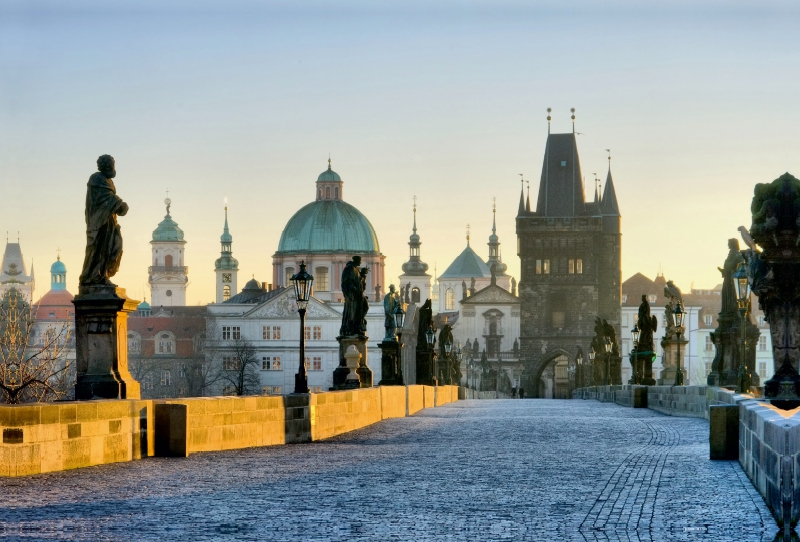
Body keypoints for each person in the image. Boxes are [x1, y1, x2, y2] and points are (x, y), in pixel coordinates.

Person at [79, 155, 129, 287]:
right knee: (100, 250)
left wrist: (118, 204)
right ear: (105, 166)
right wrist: (119, 203)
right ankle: (94, 276)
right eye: (111, 165)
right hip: (99, 222)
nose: (113, 168)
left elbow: (110, 199)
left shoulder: (108, 181)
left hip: (110, 221)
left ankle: (104, 274)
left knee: (115, 246)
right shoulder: (96, 178)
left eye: (113, 165)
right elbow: (103, 199)